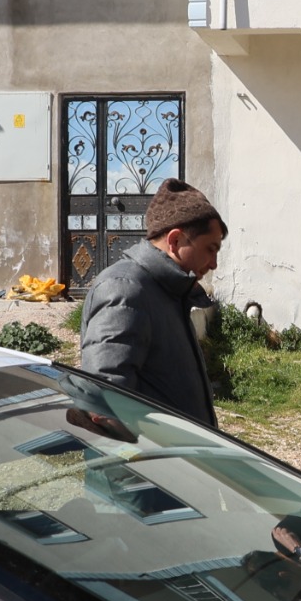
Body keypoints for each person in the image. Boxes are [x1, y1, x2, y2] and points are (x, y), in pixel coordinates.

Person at [80, 177, 226, 426]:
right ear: (175, 241)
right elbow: (106, 403)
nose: (213, 264)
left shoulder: (170, 291)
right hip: (151, 452)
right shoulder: (125, 290)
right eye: (210, 249)